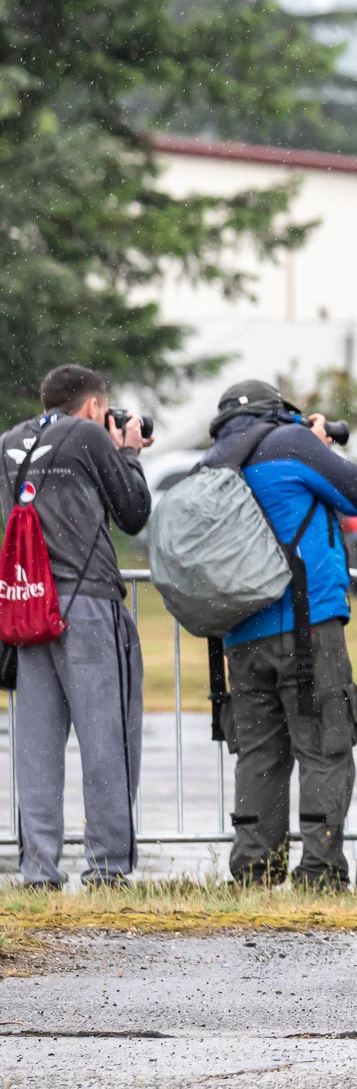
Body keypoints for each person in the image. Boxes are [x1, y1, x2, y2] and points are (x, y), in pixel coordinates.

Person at [195, 381, 357, 889]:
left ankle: (254, 870)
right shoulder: (292, 445)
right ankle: (319, 874)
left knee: (259, 754)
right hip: (307, 626)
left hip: (239, 634)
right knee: (323, 745)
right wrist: (318, 444)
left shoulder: (210, 463)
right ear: (276, 413)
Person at [2, 365, 151, 889]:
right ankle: (108, 868)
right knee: (108, 741)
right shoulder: (89, 435)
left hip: (27, 608)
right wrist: (128, 452)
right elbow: (132, 513)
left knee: (37, 749)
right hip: (87, 606)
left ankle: (38, 870)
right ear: (92, 406)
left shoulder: (9, 442)